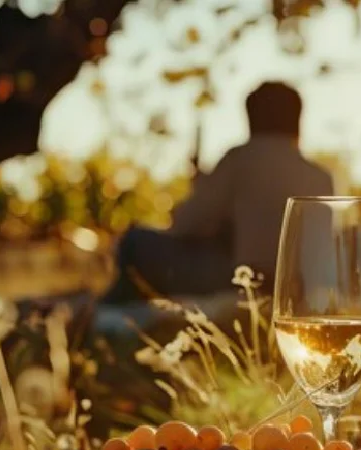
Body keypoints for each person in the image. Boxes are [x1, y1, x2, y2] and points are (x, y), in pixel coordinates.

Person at [103, 81, 334, 303]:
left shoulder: (240, 159)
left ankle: (109, 315)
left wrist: (200, 188)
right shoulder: (321, 178)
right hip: (297, 286)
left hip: (237, 279)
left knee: (135, 241)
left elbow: (185, 224)